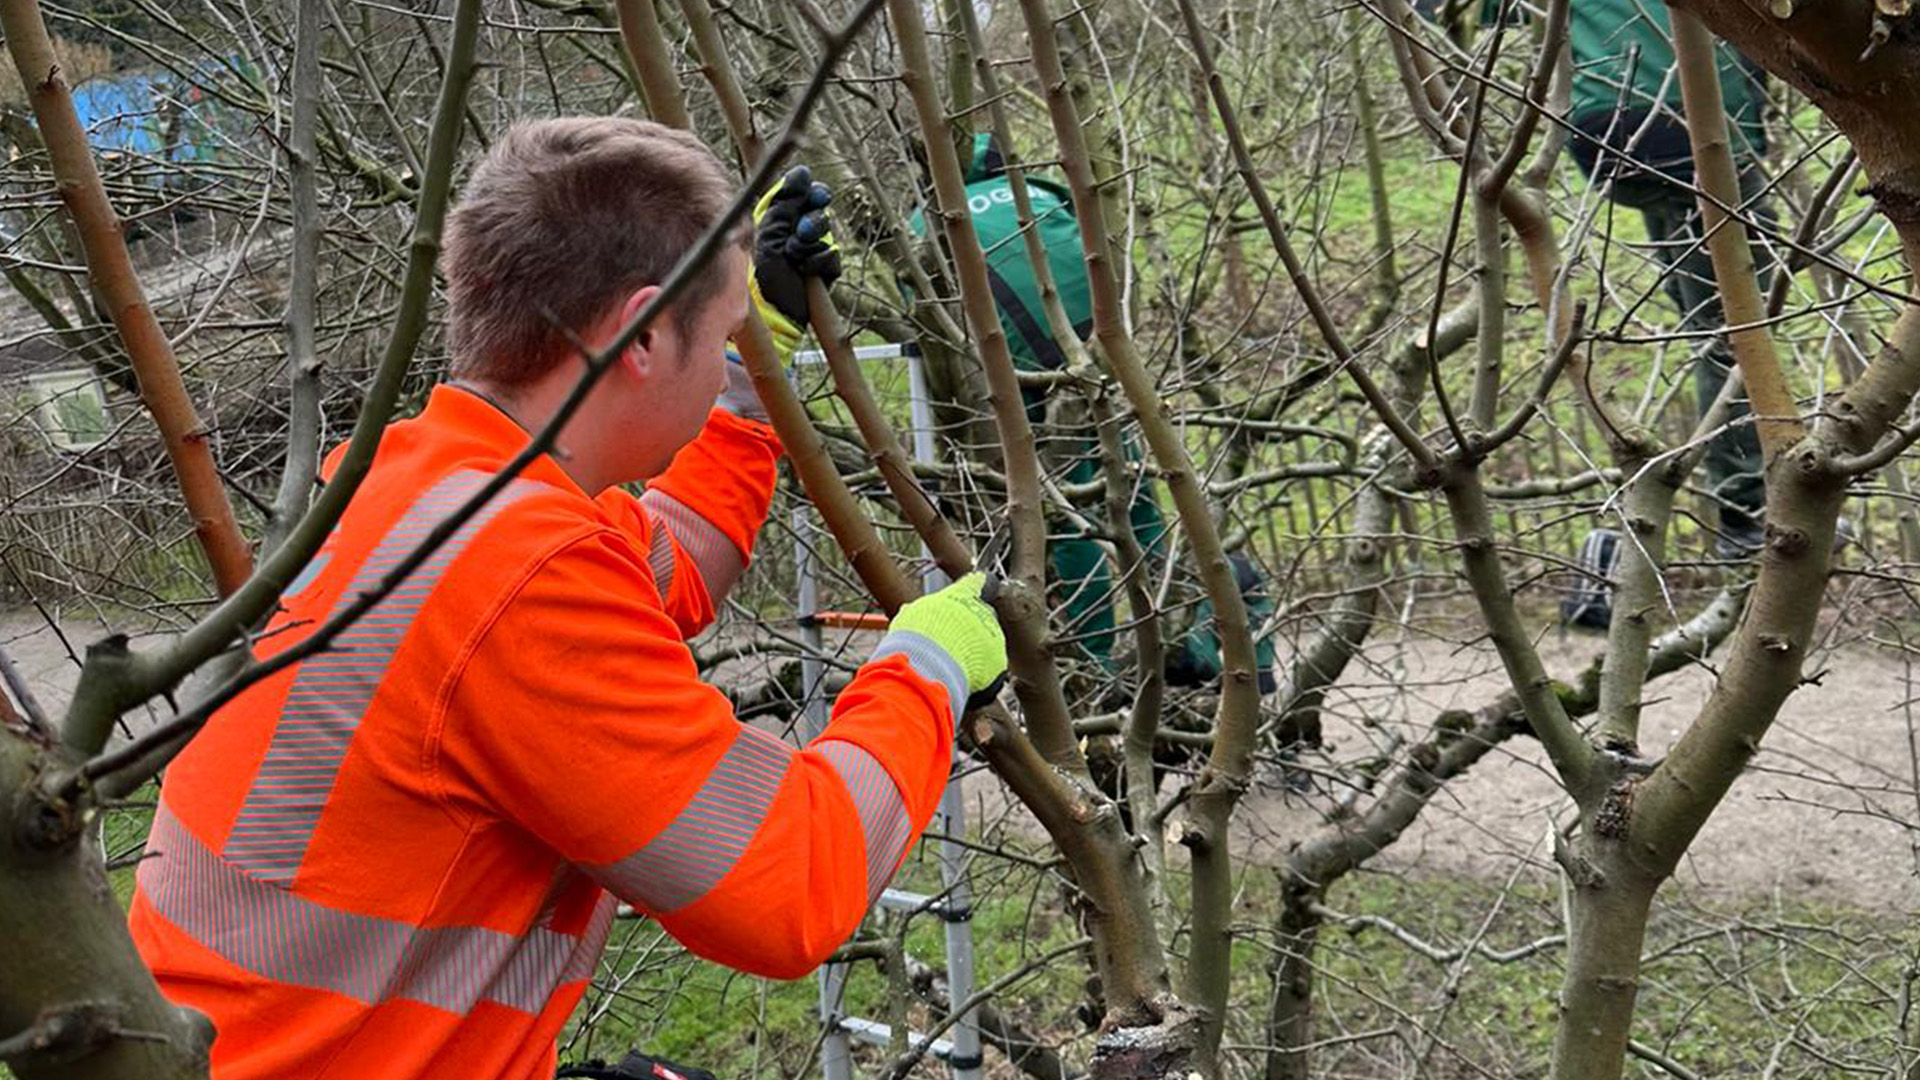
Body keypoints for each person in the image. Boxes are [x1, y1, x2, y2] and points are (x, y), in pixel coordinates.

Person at [128, 117, 1008, 1080]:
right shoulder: (518, 573)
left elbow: (662, 566)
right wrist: (929, 665)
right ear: (636, 337)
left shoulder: (416, 488)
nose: (727, 361)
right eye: (719, 340)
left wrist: (750, 388)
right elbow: (790, 883)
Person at [909, 134, 1274, 685]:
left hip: (1018, 375)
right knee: (1132, 492)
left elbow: (926, 317)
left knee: (1066, 519)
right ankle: (1182, 630)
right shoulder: (1038, 191)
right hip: (1092, 358)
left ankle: (1093, 664)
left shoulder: (929, 224)